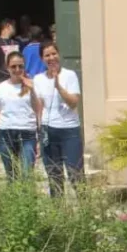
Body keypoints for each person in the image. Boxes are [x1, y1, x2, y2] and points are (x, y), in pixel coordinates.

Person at [0, 51, 42, 181]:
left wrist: (33, 89)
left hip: (27, 134)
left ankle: (27, 200)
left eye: (20, 66)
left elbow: (39, 110)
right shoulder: (1, 88)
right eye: (13, 66)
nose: (17, 70)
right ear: (8, 68)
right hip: (5, 134)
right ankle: (15, 201)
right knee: (11, 175)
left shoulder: (32, 85)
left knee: (26, 174)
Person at [35, 41, 84, 197]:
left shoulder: (69, 75)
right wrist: (39, 134)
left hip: (69, 131)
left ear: (59, 54)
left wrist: (58, 86)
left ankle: (86, 209)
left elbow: (73, 103)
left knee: (75, 172)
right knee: (54, 175)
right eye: (47, 55)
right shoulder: (38, 79)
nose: (51, 58)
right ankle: (58, 214)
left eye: (53, 53)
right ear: (42, 59)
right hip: (49, 131)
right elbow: (39, 108)